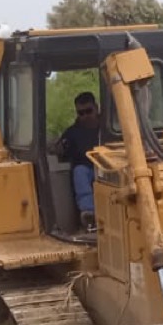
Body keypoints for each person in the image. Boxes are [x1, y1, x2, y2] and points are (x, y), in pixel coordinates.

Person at [58, 92, 102, 226]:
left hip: (108, 167)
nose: (85, 116)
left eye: (88, 111)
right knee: (79, 172)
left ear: (96, 108)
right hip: (87, 169)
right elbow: (62, 150)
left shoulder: (109, 127)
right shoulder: (72, 132)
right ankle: (88, 212)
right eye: (81, 113)